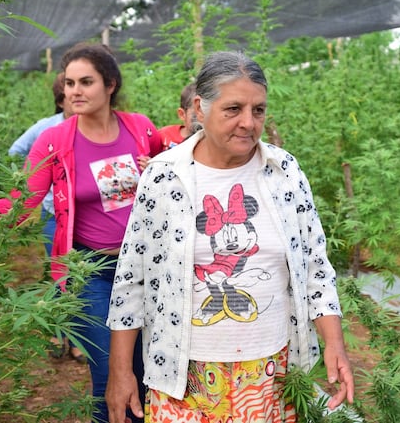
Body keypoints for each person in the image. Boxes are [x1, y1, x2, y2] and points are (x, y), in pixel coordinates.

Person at [105, 51, 354, 423]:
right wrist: (121, 371)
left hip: (272, 369)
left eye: (258, 110)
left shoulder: (283, 171)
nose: (248, 123)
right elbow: (132, 279)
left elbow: (316, 265)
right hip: (183, 374)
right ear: (199, 108)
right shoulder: (164, 176)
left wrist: (335, 343)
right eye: (233, 109)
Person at [0, 42, 164, 423]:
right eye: (69, 83)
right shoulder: (55, 141)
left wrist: (158, 168)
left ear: (111, 85)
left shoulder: (139, 128)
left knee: (149, 367)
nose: (74, 91)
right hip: (92, 272)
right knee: (110, 374)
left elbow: (177, 167)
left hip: (148, 267)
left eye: (86, 82)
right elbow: (18, 208)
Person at [8, 72, 85, 364]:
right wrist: (33, 175)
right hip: (54, 215)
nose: (77, 98)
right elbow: (15, 151)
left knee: (80, 278)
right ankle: (56, 333)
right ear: (60, 99)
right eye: (69, 93)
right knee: (60, 276)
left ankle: (77, 339)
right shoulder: (47, 128)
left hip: (86, 219)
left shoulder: (92, 129)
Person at [157, 81, 201, 149]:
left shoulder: (212, 142)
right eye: (195, 114)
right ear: (182, 114)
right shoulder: (164, 135)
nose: (202, 118)